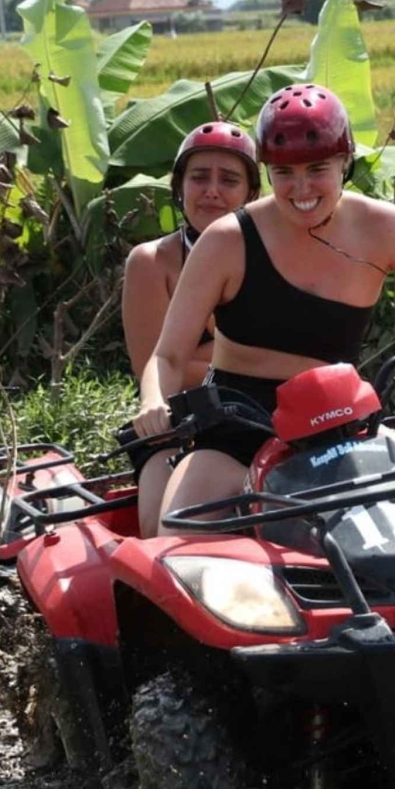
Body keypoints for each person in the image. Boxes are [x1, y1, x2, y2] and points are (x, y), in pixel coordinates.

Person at [132, 84, 395, 532]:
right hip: (235, 428)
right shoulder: (226, 240)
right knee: (178, 532)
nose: (301, 188)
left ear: (346, 163)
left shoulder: (385, 228)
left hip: (344, 424)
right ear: (267, 174)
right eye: (284, 173)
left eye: (318, 168)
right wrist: (153, 401)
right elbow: (167, 356)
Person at [121, 122, 261, 536]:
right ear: (179, 187)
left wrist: (200, 355)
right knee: (158, 529)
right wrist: (246, 361)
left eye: (229, 180)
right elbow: (156, 368)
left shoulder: (274, 254)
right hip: (176, 425)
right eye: (199, 177)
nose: (212, 191)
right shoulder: (151, 262)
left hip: (261, 418)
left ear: (251, 193)